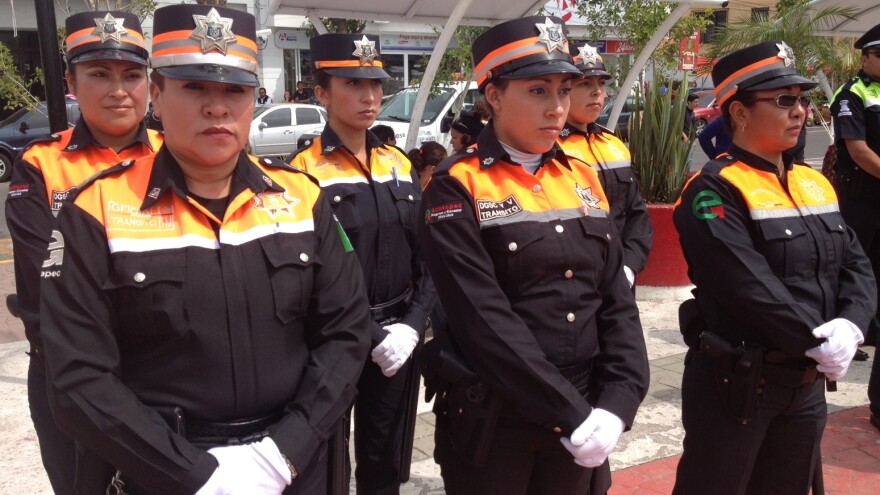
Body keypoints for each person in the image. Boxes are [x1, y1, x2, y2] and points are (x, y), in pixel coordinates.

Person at [39, 5, 370, 493]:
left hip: (296, 466)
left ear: (253, 100)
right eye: (195, 87)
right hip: (165, 473)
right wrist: (192, 475)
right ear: (156, 94)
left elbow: (346, 332)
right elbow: (77, 376)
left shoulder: (302, 199)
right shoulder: (97, 211)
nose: (217, 108)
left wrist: (283, 455)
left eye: (234, 90)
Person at [419, 16, 649, 494]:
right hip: (500, 420)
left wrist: (620, 399)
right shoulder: (456, 184)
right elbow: (484, 319)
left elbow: (614, 296)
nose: (558, 108)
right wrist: (572, 414)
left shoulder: (583, 176)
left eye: (564, 90)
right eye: (538, 91)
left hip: (587, 412)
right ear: (495, 96)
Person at [672, 41, 876, 494]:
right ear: (739, 113)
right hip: (739, 384)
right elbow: (746, 284)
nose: (800, 111)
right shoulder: (713, 189)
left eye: (802, 99)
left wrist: (851, 326)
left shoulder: (813, 181)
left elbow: (857, 265)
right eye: (784, 100)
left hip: (805, 384)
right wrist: (816, 340)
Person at [4, 11, 162, 494]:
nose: (119, 90)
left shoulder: (175, 155)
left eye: (132, 75)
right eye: (99, 74)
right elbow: (54, 282)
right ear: (71, 82)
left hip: (166, 374)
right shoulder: (41, 165)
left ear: (151, 85)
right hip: (71, 378)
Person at [287, 33, 436, 495]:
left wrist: (413, 325)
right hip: (335, 340)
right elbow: (310, 274)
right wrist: (371, 335)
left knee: (385, 459)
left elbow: (427, 255)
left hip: (399, 337)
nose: (369, 96)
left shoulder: (398, 163)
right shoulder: (303, 171)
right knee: (329, 460)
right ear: (322, 92)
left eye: (375, 84)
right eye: (352, 84)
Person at [558, 42, 653, 289]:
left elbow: (636, 214)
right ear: (564, 90)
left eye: (601, 84)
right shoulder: (548, 149)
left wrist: (629, 267)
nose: (597, 92)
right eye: (585, 84)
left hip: (622, 277)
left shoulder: (614, 145)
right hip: (576, 281)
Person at [831, 22, 880, 431]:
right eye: (879, 55)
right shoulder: (852, 94)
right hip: (864, 200)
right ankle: (852, 332)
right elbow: (859, 151)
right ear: (865, 57)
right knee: (856, 269)